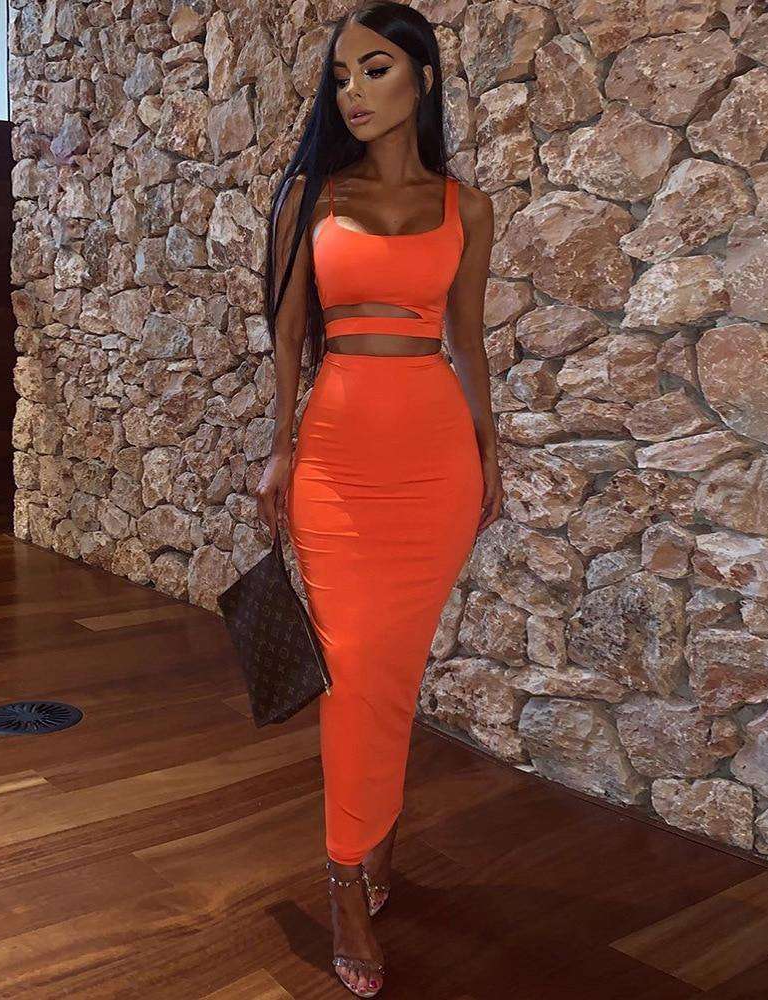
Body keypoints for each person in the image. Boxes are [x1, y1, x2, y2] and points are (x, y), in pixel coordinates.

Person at [256, 2, 502, 994]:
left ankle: (375, 832)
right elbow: (287, 335)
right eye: (341, 76)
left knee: (395, 667)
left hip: (437, 463)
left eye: (374, 70)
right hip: (337, 461)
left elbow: (468, 341)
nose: (352, 92)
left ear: (422, 79)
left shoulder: (467, 208)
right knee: (352, 667)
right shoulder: (311, 197)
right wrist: (278, 450)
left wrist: (490, 453)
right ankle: (345, 879)